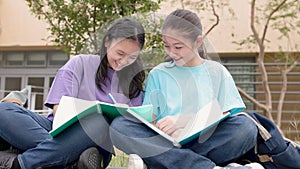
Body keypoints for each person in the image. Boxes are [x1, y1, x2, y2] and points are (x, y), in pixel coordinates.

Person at [109, 9, 264, 169]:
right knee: (120, 126)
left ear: (197, 42)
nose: (172, 53)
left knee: (245, 127)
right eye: (167, 46)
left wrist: (181, 121)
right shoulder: (159, 74)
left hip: (205, 142)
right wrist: (159, 128)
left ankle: (163, 162)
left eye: (178, 47)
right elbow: (150, 119)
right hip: (167, 142)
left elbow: (227, 116)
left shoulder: (217, 72)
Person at [0, 17, 146, 169]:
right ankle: (71, 162)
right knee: (4, 110)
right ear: (107, 41)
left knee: (99, 123)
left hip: (95, 142)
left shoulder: (133, 85)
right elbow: (58, 110)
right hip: (55, 130)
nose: (123, 61)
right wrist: (68, 143)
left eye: (132, 57)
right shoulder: (79, 63)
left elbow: (131, 129)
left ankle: (20, 164)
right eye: (120, 53)